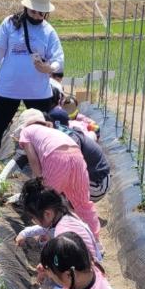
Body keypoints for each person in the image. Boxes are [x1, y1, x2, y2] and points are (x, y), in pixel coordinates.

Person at [0, 0, 64, 157]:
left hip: (37, 91)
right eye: (33, 12)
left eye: (41, 13)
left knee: (42, 130)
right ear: (26, 7)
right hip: (8, 88)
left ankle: (41, 163)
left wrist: (49, 68)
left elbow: (58, 60)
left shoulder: (48, 31)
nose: (36, 16)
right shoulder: (10, 24)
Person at [15, 109, 101, 239]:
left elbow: (32, 159)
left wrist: (39, 181)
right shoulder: (51, 130)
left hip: (56, 158)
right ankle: (95, 240)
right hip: (76, 156)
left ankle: (51, 237)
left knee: (47, 202)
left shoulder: (26, 132)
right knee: (82, 202)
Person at [15, 178, 102, 262]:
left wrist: (47, 267)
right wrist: (24, 233)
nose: (33, 220)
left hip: (88, 269)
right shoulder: (64, 217)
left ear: (47, 214)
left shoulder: (62, 234)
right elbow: (43, 228)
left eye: (34, 217)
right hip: (93, 261)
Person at [47, 106, 111, 202]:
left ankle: (68, 211)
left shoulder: (71, 139)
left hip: (98, 185)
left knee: (55, 186)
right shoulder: (71, 132)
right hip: (97, 181)